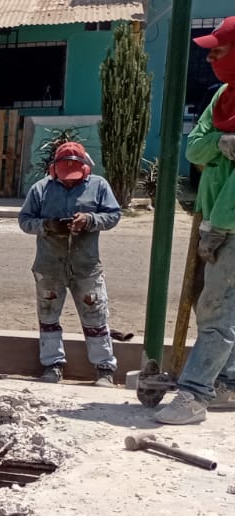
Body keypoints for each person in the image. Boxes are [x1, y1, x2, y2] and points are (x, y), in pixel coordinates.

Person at [157, 18, 235, 424]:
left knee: (216, 310)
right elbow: (196, 149)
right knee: (226, 307)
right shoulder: (223, 95)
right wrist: (223, 143)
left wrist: (218, 226)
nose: (209, 58)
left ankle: (194, 396)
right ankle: (227, 384)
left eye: (218, 50)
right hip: (217, 219)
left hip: (229, 226)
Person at [16, 141, 122, 386]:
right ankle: (52, 365)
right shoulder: (40, 189)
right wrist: (47, 225)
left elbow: (114, 215)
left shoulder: (99, 186)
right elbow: (24, 220)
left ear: (85, 168)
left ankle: (104, 369)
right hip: (49, 267)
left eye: (74, 178)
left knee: (96, 317)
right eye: (65, 177)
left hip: (86, 267)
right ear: (54, 169)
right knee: (48, 316)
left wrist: (89, 220)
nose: (70, 182)